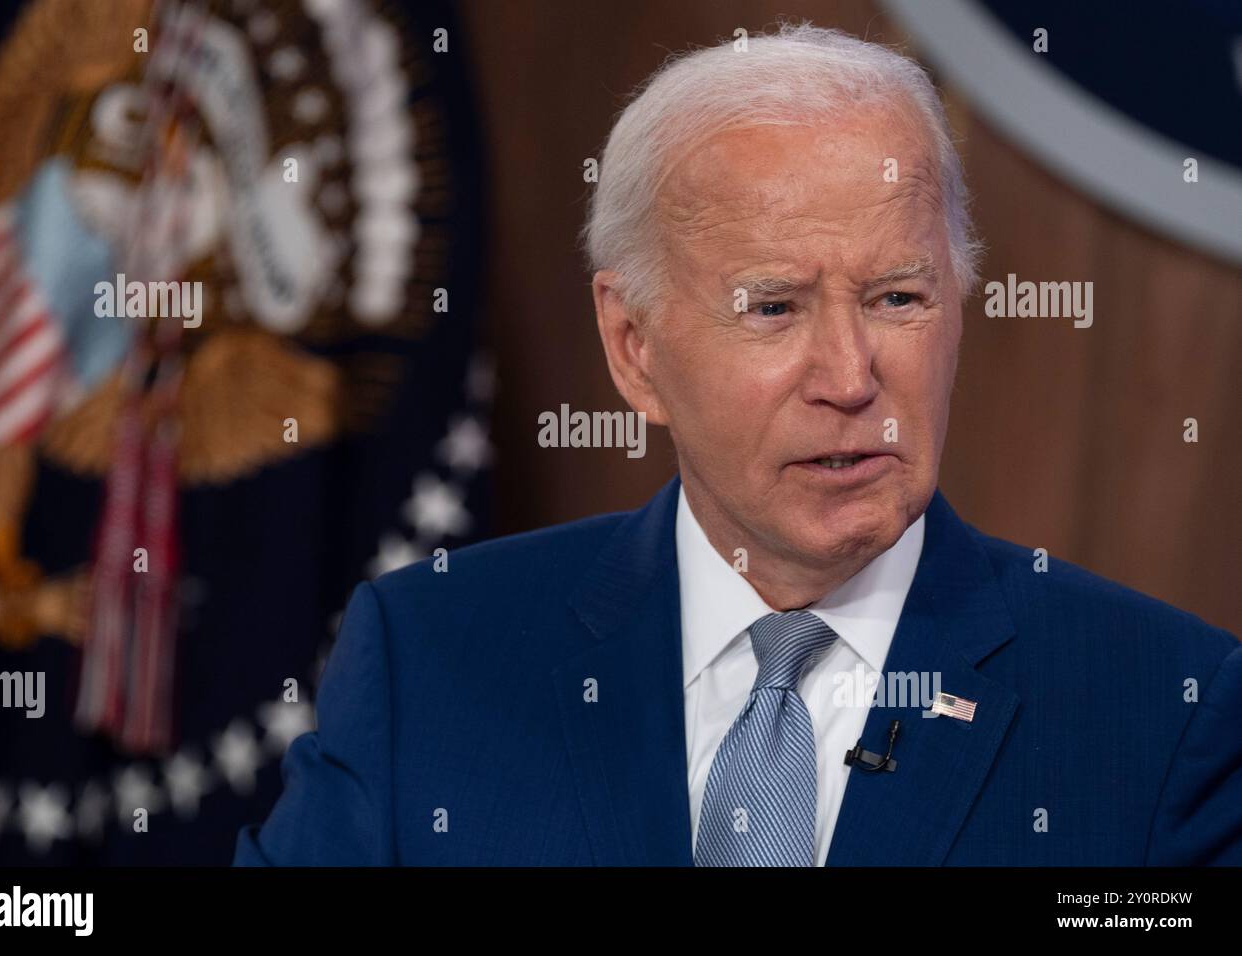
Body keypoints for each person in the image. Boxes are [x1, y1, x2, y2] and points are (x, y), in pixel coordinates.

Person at [234, 23, 1242, 866]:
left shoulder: (1160, 714)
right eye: (773, 307)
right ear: (633, 348)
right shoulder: (432, 664)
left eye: (898, 297)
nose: (850, 376)